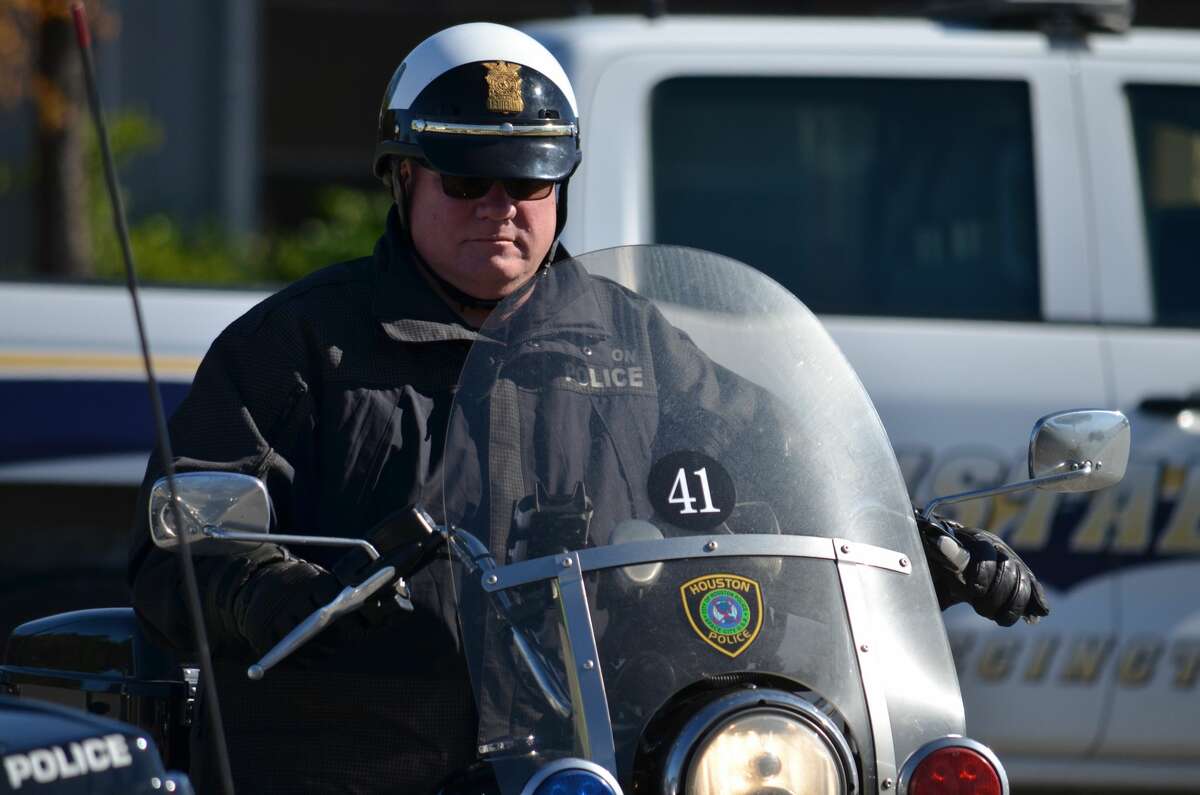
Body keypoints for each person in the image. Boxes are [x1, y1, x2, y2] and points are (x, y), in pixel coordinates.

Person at [127, 22, 1046, 794]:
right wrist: (277, 591)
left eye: (528, 182)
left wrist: (910, 546)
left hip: (604, 752)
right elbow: (176, 549)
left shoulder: (635, 341)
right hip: (374, 754)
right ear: (401, 176)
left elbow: (785, 462)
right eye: (465, 181)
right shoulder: (295, 349)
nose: (501, 208)